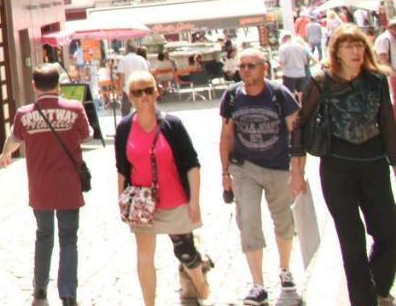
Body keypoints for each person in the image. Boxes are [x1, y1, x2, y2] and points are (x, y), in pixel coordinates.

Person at [291, 24, 396, 305]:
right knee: (352, 242)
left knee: (390, 233)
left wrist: (395, 162)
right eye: (348, 46)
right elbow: (300, 125)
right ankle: (363, 301)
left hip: (374, 164)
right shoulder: (320, 82)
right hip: (337, 167)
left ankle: (378, 288)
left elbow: (387, 122)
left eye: (359, 45)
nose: (355, 51)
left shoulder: (376, 80)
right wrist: (297, 172)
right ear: (336, 50)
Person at [116, 71, 211, 306]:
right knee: (144, 257)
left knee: (185, 252)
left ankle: (200, 283)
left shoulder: (172, 125)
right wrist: (121, 201)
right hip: (141, 202)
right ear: (130, 97)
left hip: (174, 199)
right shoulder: (125, 128)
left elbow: (192, 164)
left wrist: (194, 201)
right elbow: (121, 168)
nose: (144, 96)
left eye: (148, 90)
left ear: (157, 92)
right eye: (138, 92)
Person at [0, 63, 91, 306]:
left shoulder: (23, 114)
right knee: (69, 238)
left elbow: (14, 138)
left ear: (34, 86)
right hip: (69, 186)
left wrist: (4, 154)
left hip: (40, 186)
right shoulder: (75, 108)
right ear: (58, 85)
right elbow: (86, 134)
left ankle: (40, 292)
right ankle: (68, 294)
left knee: (44, 236)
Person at [219, 48, 301, 304]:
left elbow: (296, 134)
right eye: (242, 66)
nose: (245, 70)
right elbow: (226, 136)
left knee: (283, 220)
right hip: (245, 168)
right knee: (249, 222)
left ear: (264, 68)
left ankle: (285, 269)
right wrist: (224, 172)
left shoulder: (279, 94)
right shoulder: (232, 97)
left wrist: (298, 171)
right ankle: (258, 284)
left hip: (279, 166)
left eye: (251, 66)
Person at [115, 48, 151, 113]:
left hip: (127, 88)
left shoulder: (123, 60)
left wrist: (120, 89)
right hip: (140, 87)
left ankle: (128, 122)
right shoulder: (142, 59)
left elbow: (121, 75)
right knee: (142, 107)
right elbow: (147, 74)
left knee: (126, 110)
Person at [276, 33, 312, 99]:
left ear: (283, 39)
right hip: (301, 73)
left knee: (290, 93)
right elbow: (305, 62)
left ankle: (293, 107)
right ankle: (301, 106)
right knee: (301, 92)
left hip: (289, 74)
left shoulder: (283, 48)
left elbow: (282, 62)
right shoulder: (301, 47)